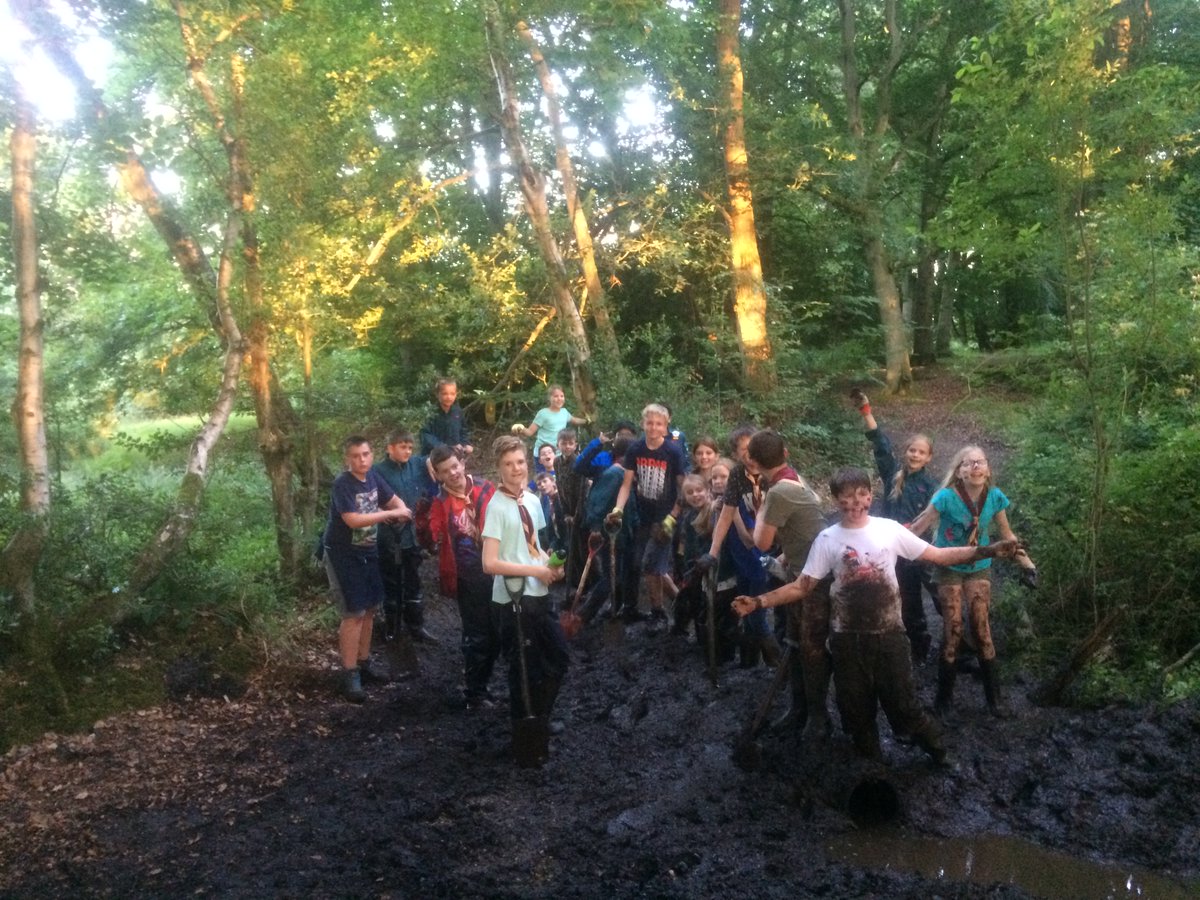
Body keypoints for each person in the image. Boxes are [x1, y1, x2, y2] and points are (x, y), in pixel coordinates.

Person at [733, 467, 1019, 763]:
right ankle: (873, 767)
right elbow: (802, 586)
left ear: (870, 495)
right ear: (836, 501)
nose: (855, 503)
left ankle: (939, 753)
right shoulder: (827, 540)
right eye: (847, 497)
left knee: (905, 706)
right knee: (856, 711)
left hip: (889, 636)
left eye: (861, 495)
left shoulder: (889, 530)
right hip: (846, 640)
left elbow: (938, 555)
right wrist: (759, 602)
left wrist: (987, 551)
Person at [907, 446, 1031, 718]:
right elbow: (917, 528)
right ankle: (944, 700)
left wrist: (1026, 563)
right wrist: (883, 542)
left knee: (981, 627)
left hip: (979, 565)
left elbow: (1007, 535)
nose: (975, 467)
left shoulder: (995, 497)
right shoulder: (945, 498)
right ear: (959, 471)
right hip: (949, 564)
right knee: (953, 628)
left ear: (987, 469)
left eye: (980, 462)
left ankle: (994, 700)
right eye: (968, 463)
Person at [744, 429, 830, 737]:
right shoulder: (792, 479)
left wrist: (758, 514)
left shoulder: (780, 491)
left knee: (811, 646)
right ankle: (800, 709)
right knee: (795, 640)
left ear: (752, 461)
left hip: (815, 576)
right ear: (786, 454)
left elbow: (763, 542)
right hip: (802, 568)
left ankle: (818, 718)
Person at [481, 435, 570, 733]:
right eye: (508, 464)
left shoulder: (532, 500)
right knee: (523, 668)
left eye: (520, 461)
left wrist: (549, 567)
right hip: (512, 599)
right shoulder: (495, 507)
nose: (516, 468)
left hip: (539, 593)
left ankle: (540, 717)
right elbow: (489, 563)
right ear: (498, 468)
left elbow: (534, 547)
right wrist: (532, 572)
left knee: (558, 656)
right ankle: (525, 731)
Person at [322, 435, 413, 702]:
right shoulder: (343, 484)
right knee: (354, 613)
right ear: (347, 459)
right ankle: (349, 675)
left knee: (371, 608)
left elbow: (393, 500)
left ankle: (364, 665)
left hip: (368, 551)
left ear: (371, 455)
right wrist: (387, 515)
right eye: (355, 456)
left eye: (365, 454)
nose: (361, 460)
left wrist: (401, 510)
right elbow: (352, 520)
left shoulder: (373, 477)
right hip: (343, 554)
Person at [850, 389, 939, 661]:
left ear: (928, 458)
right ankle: (909, 649)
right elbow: (880, 444)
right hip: (889, 548)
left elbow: (937, 514)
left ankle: (959, 645)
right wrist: (866, 411)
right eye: (912, 450)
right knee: (899, 597)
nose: (914, 455)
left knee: (936, 595)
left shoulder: (931, 485)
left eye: (921, 452)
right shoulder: (893, 475)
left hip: (916, 548)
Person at [702, 426, 777, 666]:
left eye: (752, 448)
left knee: (757, 610)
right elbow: (726, 515)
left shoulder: (772, 474)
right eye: (743, 450)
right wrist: (713, 553)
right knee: (745, 605)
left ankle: (776, 663)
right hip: (742, 553)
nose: (749, 454)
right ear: (735, 454)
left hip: (768, 549)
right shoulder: (736, 476)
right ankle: (752, 662)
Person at [608, 403, 688, 624]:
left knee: (654, 564)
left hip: (666, 515)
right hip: (643, 515)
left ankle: (658, 612)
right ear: (643, 424)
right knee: (636, 562)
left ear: (666, 426)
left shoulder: (672, 451)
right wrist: (618, 509)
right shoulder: (635, 449)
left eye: (658, 424)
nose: (653, 428)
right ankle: (681, 602)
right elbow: (626, 485)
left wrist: (674, 515)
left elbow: (683, 487)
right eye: (649, 423)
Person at [372, 429, 437, 643]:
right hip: (388, 536)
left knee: (413, 581)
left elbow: (436, 457)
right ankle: (392, 627)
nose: (407, 451)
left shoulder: (417, 464)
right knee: (391, 582)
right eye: (402, 447)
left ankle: (416, 626)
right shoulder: (377, 471)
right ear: (390, 448)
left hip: (413, 536)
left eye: (410, 447)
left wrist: (430, 461)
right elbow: (368, 501)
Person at [671, 474, 712, 639]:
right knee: (692, 600)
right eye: (690, 492)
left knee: (706, 604)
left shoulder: (712, 513)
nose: (695, 495)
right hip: (692, 566)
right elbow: (685, 544)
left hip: (707, 564)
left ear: (707, 491)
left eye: (699, 490)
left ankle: (707, 638)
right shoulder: (688, 516)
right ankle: (694, 634)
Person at [512, 384, 589, 455]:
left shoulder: (564, 412)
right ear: (549, 398)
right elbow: (530, 432)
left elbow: (574, 420)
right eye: (556, 396)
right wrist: (521, 427)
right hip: (542, 454)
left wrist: (587, 421)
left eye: (562, 396)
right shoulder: (543, 413)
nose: (559, 399)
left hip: (558, 454)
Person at [420, 377, 473, 457]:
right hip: (433, 456)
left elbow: (463, 431)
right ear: (437, 394)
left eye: (452, 394)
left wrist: (465, 444)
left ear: (456, 394)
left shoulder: (457, 411)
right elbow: (425, 435)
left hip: (454, 455)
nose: (449, 397)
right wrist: (444, 447)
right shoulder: (430, 413)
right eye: (445, 394)